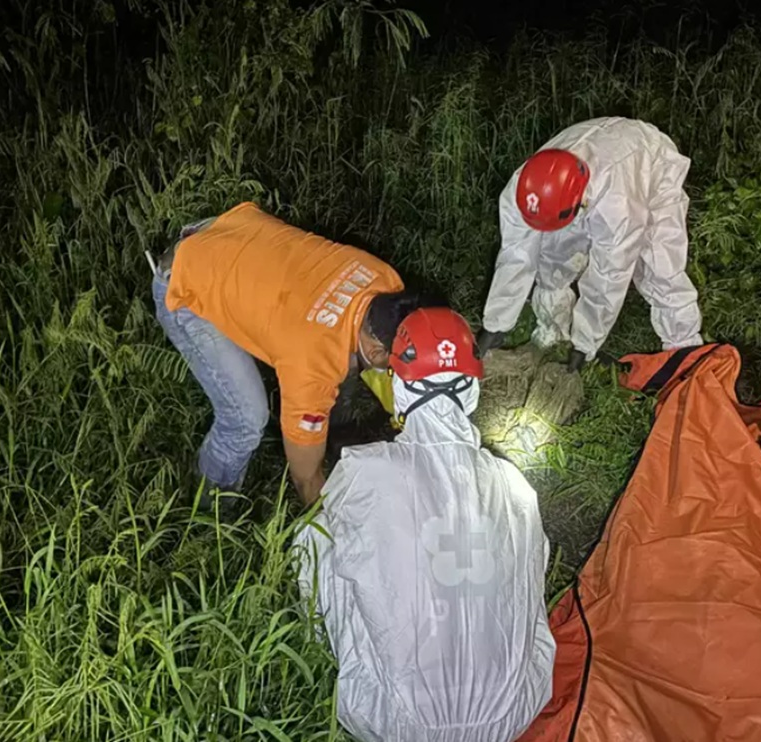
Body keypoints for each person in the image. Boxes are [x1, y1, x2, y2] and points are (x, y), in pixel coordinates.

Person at [295, 307, 555, 742]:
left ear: (398, 385)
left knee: (316, 540)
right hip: (512, 714)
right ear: (472, 389)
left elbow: (315, 556)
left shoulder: (366, 472)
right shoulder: (515, 488)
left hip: (393, 720)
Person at [148, 201, 424, 511]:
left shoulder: (384, 279)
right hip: (184, 280)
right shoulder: (312, 369)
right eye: (392, 364)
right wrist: (333, 533)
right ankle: (208, 511)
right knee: (245, 418)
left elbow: (352, 346)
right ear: (375, 350)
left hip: (224, 233)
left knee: (342, 362)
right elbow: (305, 479)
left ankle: (329, 434)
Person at [477, 117, 704, 370]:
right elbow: (516, 254)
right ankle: (553, 335)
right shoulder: (522, 187)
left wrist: (585, 343)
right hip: (592, 164)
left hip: (649, 162)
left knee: (658, 265)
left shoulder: (617, 206)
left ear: (581, 202)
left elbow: (609, 275)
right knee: (551, 257)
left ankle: (685, 351)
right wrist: (495, 323)